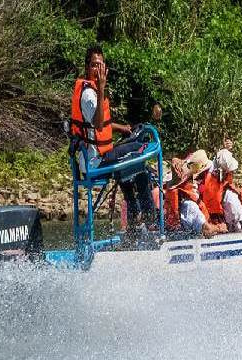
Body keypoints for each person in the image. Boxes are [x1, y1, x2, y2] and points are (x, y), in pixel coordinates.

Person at [69, 45, 155, 225]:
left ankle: (135, 221)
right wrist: (101, 89)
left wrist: (121, 127)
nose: (97, 70)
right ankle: (150, 219)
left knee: (129, 166)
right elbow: (99, 124)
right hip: (95, 161)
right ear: (87, 67)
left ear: (105, 67)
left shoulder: (92, 91)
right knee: (141, 150)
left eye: (100, 65)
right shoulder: (89, 95)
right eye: (93, 65)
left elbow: (97, 125)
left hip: (97, 156)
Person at [163, 150, 225, 237]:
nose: (197, 182)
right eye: (194, 179)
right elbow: (207, 230)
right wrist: (219, 228)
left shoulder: (181, 199)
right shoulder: (190, 205)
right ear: (188, 182)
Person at [201, 148, 242, 232]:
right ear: (228, 173)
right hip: (225, 231)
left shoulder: (203, 182)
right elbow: (238, 225)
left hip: (210, 225)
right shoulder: (230, 197)